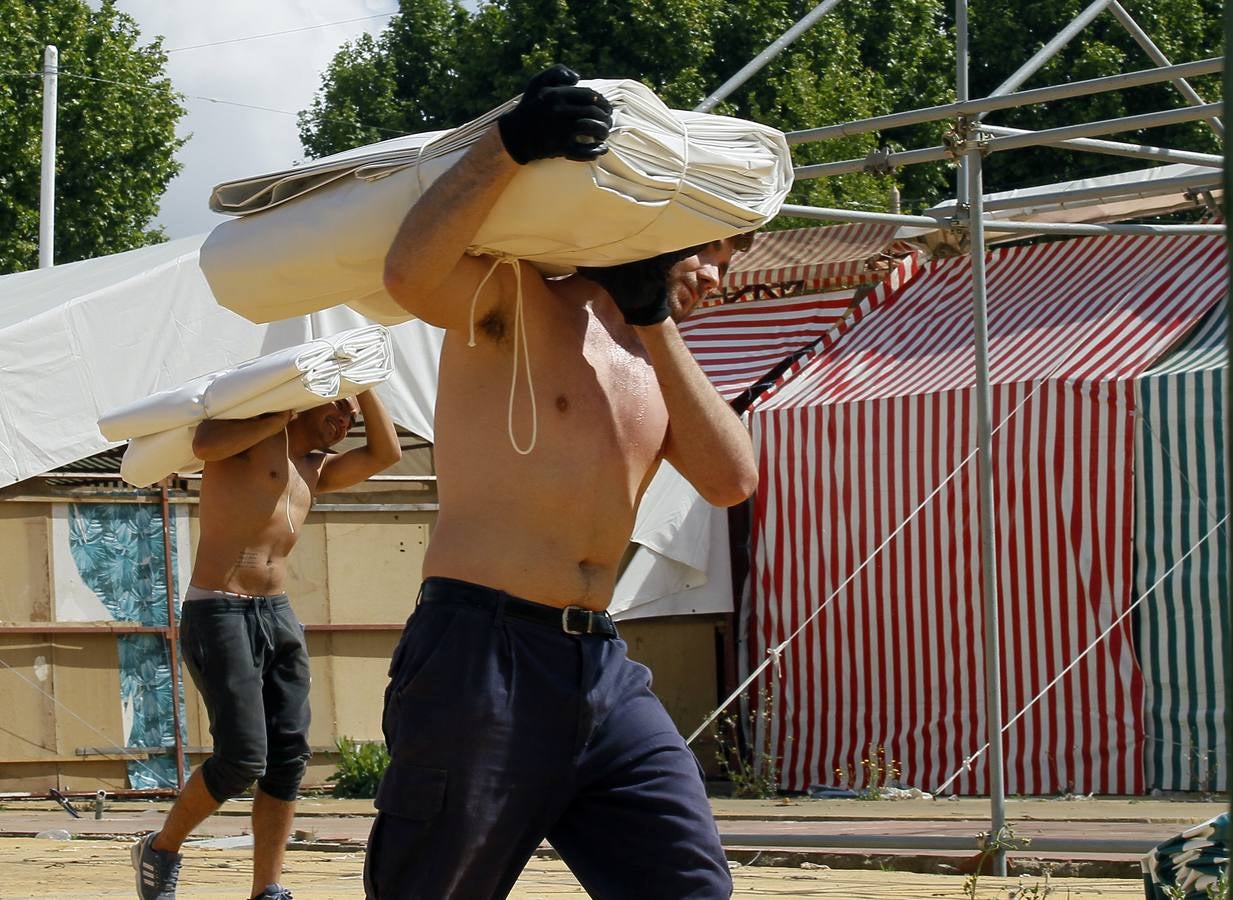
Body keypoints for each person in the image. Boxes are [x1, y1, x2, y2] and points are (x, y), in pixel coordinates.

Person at [365, 64, 758, 900]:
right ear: (661, 230)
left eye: (730, 260)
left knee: (691, 889)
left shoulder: (659, 357)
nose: (718, 277)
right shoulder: (522, 298)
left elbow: (731, 479)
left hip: (602, 666)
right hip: (481, 650)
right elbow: (409, 275)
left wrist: (652, 318)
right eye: (710, 252)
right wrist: (506, 145)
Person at [132, 390, 402, 900]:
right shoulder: (253, 436)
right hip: (219, 609)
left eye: (350, 413)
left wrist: (363, 385)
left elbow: (385, 456)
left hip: (277, 614)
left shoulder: (316, 468)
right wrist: (283, 405)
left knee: (289, 758)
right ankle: (161, 848)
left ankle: (268, 889)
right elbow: (206, 444)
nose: (344, 421)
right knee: (241, 758)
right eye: (336, 407)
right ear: (305, 400)